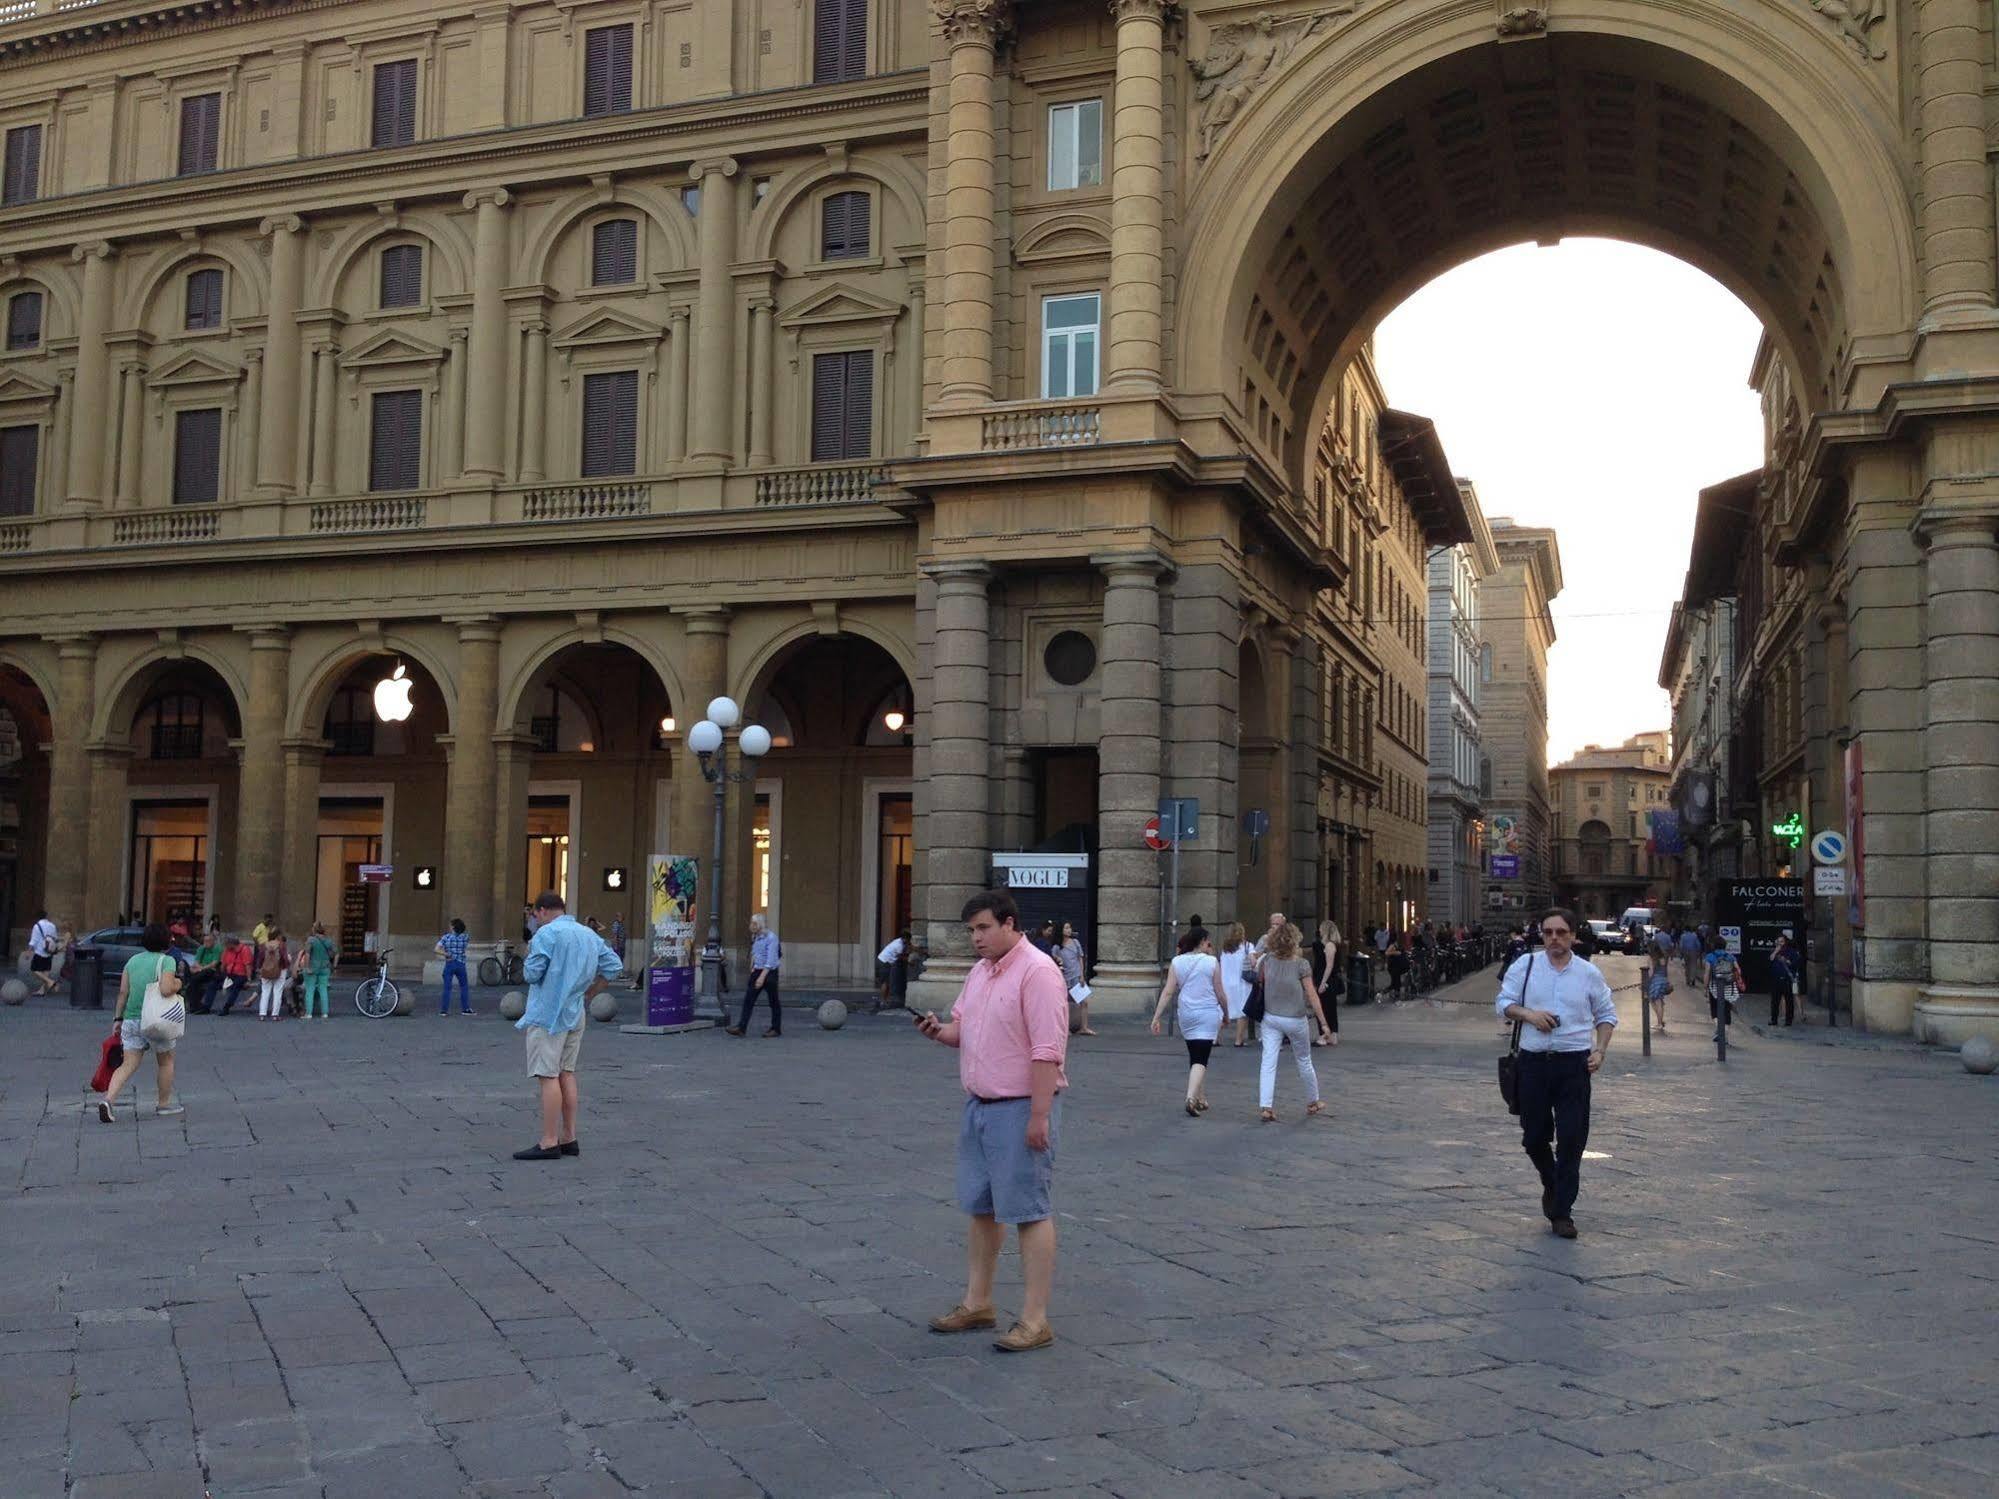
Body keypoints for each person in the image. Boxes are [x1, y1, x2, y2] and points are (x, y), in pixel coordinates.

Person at [913, 890, 1068, 1353]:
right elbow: (963, 1029)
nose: (975, 938)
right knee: (981, 1208)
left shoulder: (1038, 972)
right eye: (971, 931)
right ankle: (978, 1302)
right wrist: (939, 1032)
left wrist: (1039, 1116)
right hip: (979, 1107)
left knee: (1029, 1211)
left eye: (983, 928)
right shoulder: (980, 973)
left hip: (1021, 1106)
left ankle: (1035, 1319)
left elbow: (1047, 1050)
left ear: (1009, 924)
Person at [1495, 907, 1617, 1240]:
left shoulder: (1587, 973)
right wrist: (1529, 1015)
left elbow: (1606, 1014)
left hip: (1574, 1064)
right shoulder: (1526, 965)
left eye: (1561, 932)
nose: (1554, 939)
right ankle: (1551, 1180)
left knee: (1572, 1139)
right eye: (1548, 932)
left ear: (1573, 936)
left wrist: (1600, 1050)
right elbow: (1503, 1002)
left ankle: (1562, 1211)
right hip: (1533, 1063)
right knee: (1534, 1137)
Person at [513, 890, 623, 1161]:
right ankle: (569, 1136)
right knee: (567, 1072)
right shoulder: (587, 933)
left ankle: (549, 1141)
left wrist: (531, 954)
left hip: (548, 1013)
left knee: (547, 1075)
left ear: (541, 911)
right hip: (575, 1012)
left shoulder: (546, 935)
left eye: (535, 915)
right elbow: (614, 965)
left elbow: (531, 973)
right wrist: (592, 991)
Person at [94, 923, 185, 1122]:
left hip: (131, 1019)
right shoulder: (166, 960)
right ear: (165, 940)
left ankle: (108, 1100)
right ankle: (163, 1104)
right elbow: (167, 989)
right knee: (166, 1061)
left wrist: (118, 1019)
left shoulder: (132, 961)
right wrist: (178, 982)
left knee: (128, 1064)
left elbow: (123, 993)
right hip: (156, 1020)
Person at [1255, 922, 1333, 1122]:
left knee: (1268, 1061)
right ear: (1294, 941)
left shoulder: (1266, 961)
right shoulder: (1301, 964)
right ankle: (1313, 1101)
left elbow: (1261, 983)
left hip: (1270, 1017)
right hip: (1295, 1018)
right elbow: (1312, 996)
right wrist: (1323, 1023)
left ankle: (1266, 1106)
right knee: (1304, 1060)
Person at [1149, 926, 1227, 1117]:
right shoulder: (1211, 962)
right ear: (1202, 942)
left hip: (1186, 1013)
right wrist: (1226, 1013)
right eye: (1208, 942)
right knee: (1201, 1058)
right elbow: (1220, 992)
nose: (1209, 945)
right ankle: (1191, 1098)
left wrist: (1156, 1016)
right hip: (1207, 1012)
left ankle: (1200, 1098)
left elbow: (1168, 991)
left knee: (1195, 1056)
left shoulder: (1177, 961)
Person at [727, 913, 782, 1037]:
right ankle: (741, 1027)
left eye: (754, 923)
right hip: (757, 970)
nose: (751, 926)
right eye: (751, 923)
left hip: (769, 973)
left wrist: (762, 977)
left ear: (761, 925)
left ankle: (776, 1028)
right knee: (748, 1000)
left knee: (773, 1001)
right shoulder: (755, 937)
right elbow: (755, 952)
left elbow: (771, 960)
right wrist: (752, 967)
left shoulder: (771, 938)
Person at [1054, 920, 1094, 1035]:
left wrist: (1082, 975)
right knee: (1064, 1004)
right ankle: (1064, 1028)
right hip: (1065, 979)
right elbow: (1054, 960)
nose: (1068, 930)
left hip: (1076, 976)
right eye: (1066, 928)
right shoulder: (1057, 946)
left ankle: (1084, 1027)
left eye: (1069, 928)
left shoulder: (1075, 942)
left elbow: (1080, 959)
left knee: (1084, 1002)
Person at [1219, 922, 1255, 1047]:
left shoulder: (1225, 949)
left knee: (1223, 1012)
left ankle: (1214, 1038)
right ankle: (1238, 1040)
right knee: (1242, 1012)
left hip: (1226, 983)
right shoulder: (1247, 946)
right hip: (1242, 984)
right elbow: (1253, 961)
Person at [1704, 939, 1744, 1041]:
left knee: (1715, 1010)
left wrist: (1705, 987)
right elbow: (1738, 970)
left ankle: (1719, 1030)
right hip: (1729, 987)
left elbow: (1707, 973)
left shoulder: (1710, 956)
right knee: (1727, 1011)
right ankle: (1725, 1035)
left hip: (1715, 987)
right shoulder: (1730, 956)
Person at [1311, 919, 1343, 1046]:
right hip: (1324, 979)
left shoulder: (1329, 945)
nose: (1319, 930)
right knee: (1328, 1006)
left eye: (1321, 928)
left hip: (1326, 980)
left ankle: (1326, 1034)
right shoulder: (1325, 945)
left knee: (1325, 1007)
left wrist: (1323, 982)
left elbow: (1329, 966)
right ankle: (1331, 1034)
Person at [299, 922, 336, 1020]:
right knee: (323, 990)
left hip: (313, 967)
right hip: (325, 967)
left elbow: (307, 954)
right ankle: (325, 1013)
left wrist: (307, 967)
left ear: (314, 929)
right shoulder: (328, 940)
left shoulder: (311, 940)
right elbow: (334, 953)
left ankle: (309, 1013)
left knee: (310, 990)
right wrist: (332, 964)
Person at [184, 928, 226, 1014]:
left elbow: (214, 964)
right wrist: (198, 968)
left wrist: (200, 969)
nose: (206, 943)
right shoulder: (201, 949)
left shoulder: (217, 948)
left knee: (193, 981)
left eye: (209, 941)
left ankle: (194, 1006)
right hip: (201, 971)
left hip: (212, 971)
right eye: (205, 941)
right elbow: (196, 962)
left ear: (213, 941)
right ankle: (195, 1006)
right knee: (193, 982)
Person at [436, 917, 472, 1015]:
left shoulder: (446, 937)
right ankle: (466, 1009)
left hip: (450, 963)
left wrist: (446, 954)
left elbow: (437, 949)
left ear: (453, 927)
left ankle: (444, 1010)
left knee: (447, 987)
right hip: (461, 963)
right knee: (464, 986)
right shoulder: (465, 937)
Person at [255, 926, 290, 1021]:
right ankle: (275, 1015)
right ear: (278, 935)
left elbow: (260, 959)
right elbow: (284, 959)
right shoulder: (281, 945)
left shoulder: (263, 945)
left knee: (265, 991)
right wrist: (287, 964)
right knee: (277, 992)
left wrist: (259, 968)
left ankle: (262, 1014)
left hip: (266, 970)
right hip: (280, 970)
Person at [27, 909, 61, 996]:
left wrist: (29, 952)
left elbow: (33, 941)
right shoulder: (52, 925)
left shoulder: (37, 926)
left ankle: (51, 982)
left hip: (39, 951)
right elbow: (55, 938)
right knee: (46, 970)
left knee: (34, 969)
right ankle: (42, 990)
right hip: (49, 951)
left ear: (37, 917)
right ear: (46, 916)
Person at [216, 937, 252, 1015]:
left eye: (226, 945)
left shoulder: (244, 950)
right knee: (213, 984)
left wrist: (249, 979)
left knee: (235, 986)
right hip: (229, 973)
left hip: (241, 974)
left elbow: (247, 965)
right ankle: (206, 1006)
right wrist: (222, 974)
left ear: (231, 944)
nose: (225, 947)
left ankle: (227, 1007)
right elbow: (224, 963)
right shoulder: (227, 950)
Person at [1767, 935, 1798, 1027]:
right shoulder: (1774, 951)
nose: (1780, 943)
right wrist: (1776, 951)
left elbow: (1795, 964)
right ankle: (1774, 1020)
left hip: (1787, 979)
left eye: (1782, 941)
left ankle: (1788, 1020)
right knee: (1775, 1001)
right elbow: (1770, 959)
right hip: (1776, 980)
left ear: (1785, 942)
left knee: (1789, 1001)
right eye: (1778, 941)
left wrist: (1787, 961)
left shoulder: (1791, 952)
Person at [877, 928, 911, 1009]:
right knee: (885, 982)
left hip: (885, 961)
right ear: (905, 939)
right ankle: (882, 1001)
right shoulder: (898, 945)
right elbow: (901, 957)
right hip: (884, 961)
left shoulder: (899, 941)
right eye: (909, 939)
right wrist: (910, 962)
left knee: (888, 981)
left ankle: (886, 1000)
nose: (909, 941)